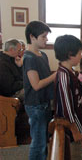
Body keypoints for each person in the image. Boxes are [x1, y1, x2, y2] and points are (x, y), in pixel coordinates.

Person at [23, 21, 56, 160]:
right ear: (32, 37)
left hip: (45, 102)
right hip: (36, 105)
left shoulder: (42, 55)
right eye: (43, 36)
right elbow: (36, 85)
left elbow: (46, 79)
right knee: (38, 143)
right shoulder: (29, 58)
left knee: (43, 140)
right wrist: (55, 75)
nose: (46, 39)